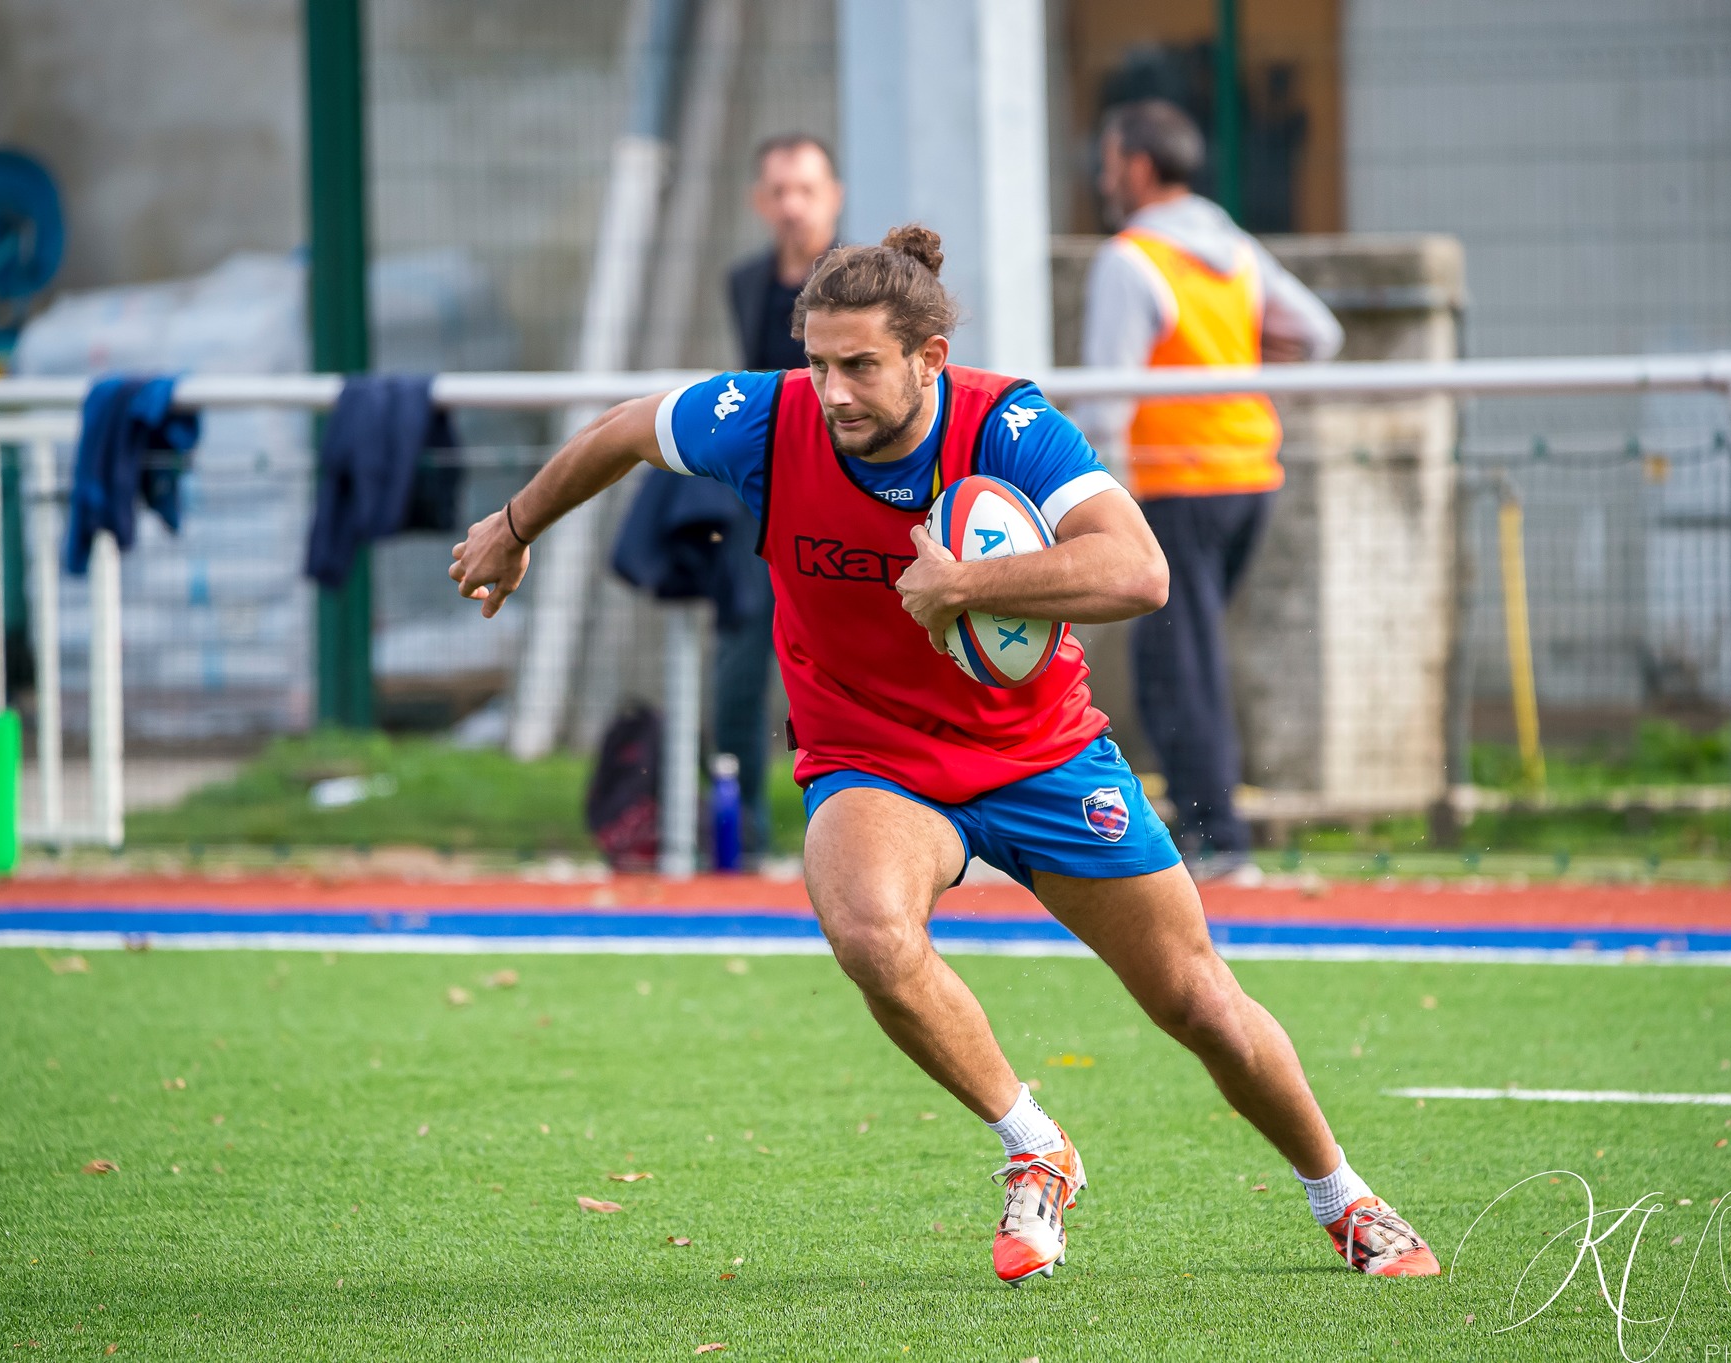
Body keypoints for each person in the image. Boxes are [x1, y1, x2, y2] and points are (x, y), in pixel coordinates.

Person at [449, 225, 1436, 1285]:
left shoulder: (1008, 423)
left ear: (927, 355)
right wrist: (514, 523)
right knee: (868, 930)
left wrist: (966, 585)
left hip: (1042, 756)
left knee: (1196, 1001)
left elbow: (1139, 572)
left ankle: (1343, 1197)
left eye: (860, 365)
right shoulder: (764, 420)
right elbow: (620, 432)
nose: (832, 391)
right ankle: (1033, 1144)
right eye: (817, 362)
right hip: (871, 759)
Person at [1079, 99, 1345, 876]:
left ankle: (1215, 834)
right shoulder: (1232, 249)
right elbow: (1320, 334)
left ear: (1135, 166)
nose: (1102, 177)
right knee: (1187, 654)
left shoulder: (1130, 259)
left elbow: (1104, 403)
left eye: (1107, 161)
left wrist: (1097, 509)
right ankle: (1208, 825)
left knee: (1177, 662)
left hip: (1174, 484)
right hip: (1247, 476)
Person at [703, 134, 845, 858]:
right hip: (767, 505)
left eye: (807, 190)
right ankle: (738, 825)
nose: (793, 206)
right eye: (780, 192)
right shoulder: (746, 282)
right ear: (761, 202)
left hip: (857, 499)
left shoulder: (864, 282)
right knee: (740, 651)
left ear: (834, 197)